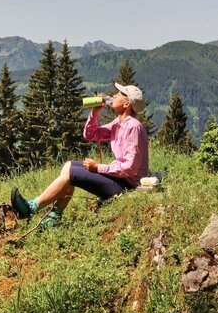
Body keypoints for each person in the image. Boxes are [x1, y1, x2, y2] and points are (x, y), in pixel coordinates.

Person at [10, 83, 149, 228]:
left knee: (72, 173)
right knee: (69, 165)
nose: (114, 95)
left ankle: (30, 208)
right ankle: (53, 217)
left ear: (127, 103)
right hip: (119, 179)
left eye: (119, 93)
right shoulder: (119, 124)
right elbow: (91, 134)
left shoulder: (133, 127)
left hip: (127, 185)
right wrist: (95, 112)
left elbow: (130, 168)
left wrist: (98, 168)